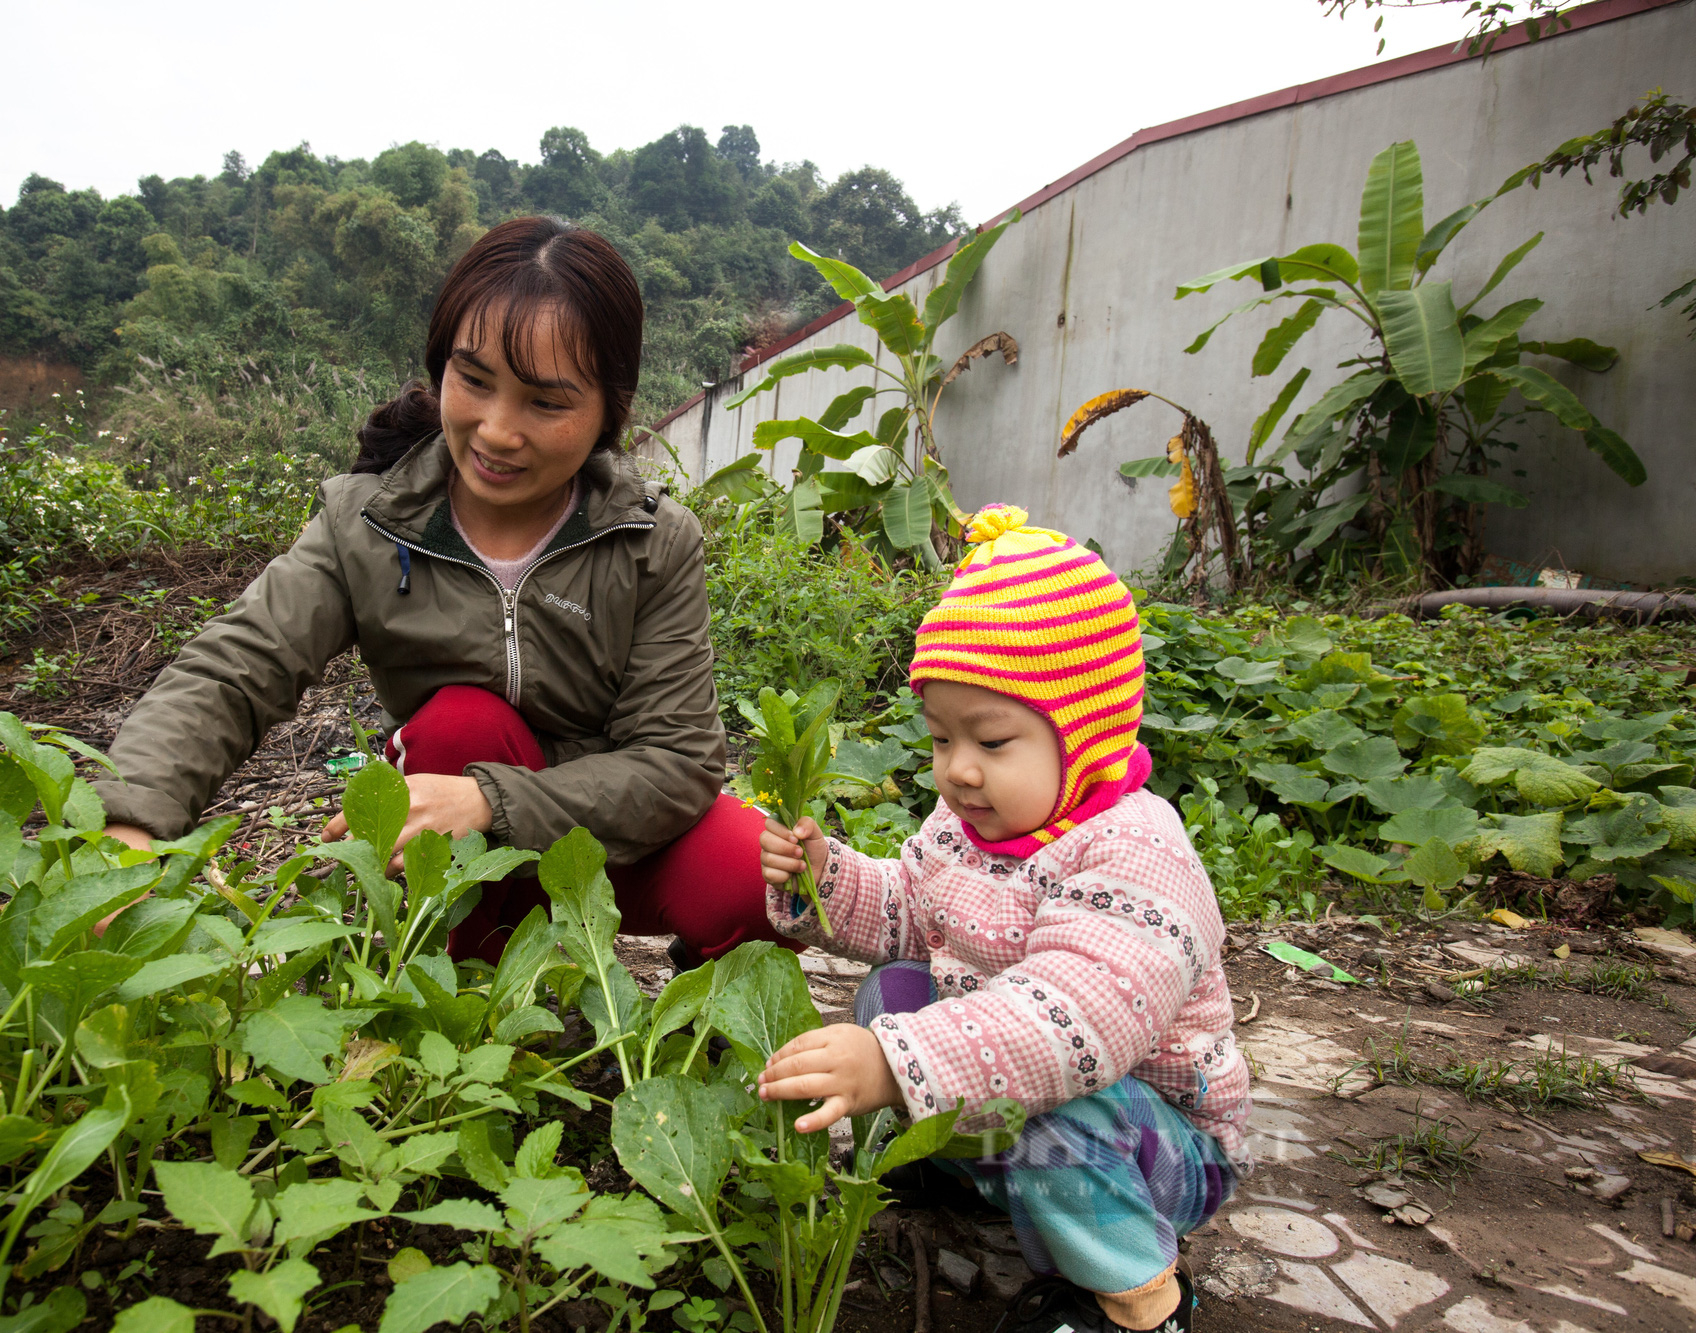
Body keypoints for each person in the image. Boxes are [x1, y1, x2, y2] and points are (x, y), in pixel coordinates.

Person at [94, 215, 786, 964]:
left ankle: (678, 992)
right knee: (462, 723)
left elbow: (678, 761)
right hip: (443, 847)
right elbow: (235, 667)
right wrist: (132, 822)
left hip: (602, 843)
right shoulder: (370, 523)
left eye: (545, 403)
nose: (495, 430)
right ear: (441, 367)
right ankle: (460, 976)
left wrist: (495, 800)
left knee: (762, 875)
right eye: (475, 381)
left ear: (607, 412)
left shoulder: (653, 541)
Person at [755, 508, 1249, 1333]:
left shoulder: (1139, 851)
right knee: (894, 988)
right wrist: (826, 878)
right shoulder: (966, 827)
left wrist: (894, 1063)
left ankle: (1136, 1298)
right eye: (942, 737)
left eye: (991, 738)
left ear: (1085, 732)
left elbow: (1070, 1024)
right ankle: (959, 1158)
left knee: (1051, 1109)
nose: (958, 769)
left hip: (1151, 1143)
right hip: (1008, 1085)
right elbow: (911, 910)